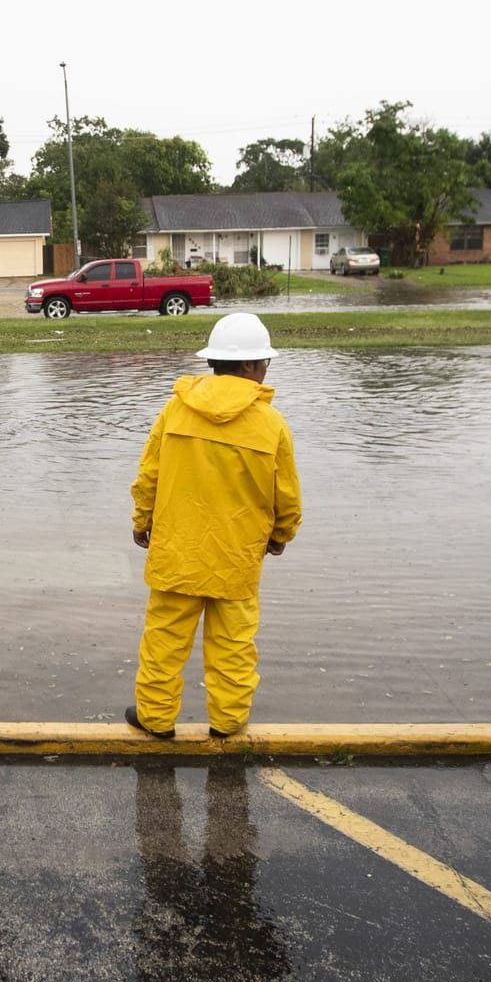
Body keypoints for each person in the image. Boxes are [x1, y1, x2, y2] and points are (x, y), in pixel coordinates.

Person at [126, 312, 301, 740]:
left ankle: (155, 719)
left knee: (164, 641)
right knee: (234, 646)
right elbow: (287, 497)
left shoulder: (175, 410)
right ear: (247, 366)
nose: (264, 372)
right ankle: (227, 722)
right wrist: (280, 536)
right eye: (263, 363)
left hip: (177, 550)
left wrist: (142, 521)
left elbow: (149, 474)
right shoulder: (270, 424)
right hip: (237, 556)